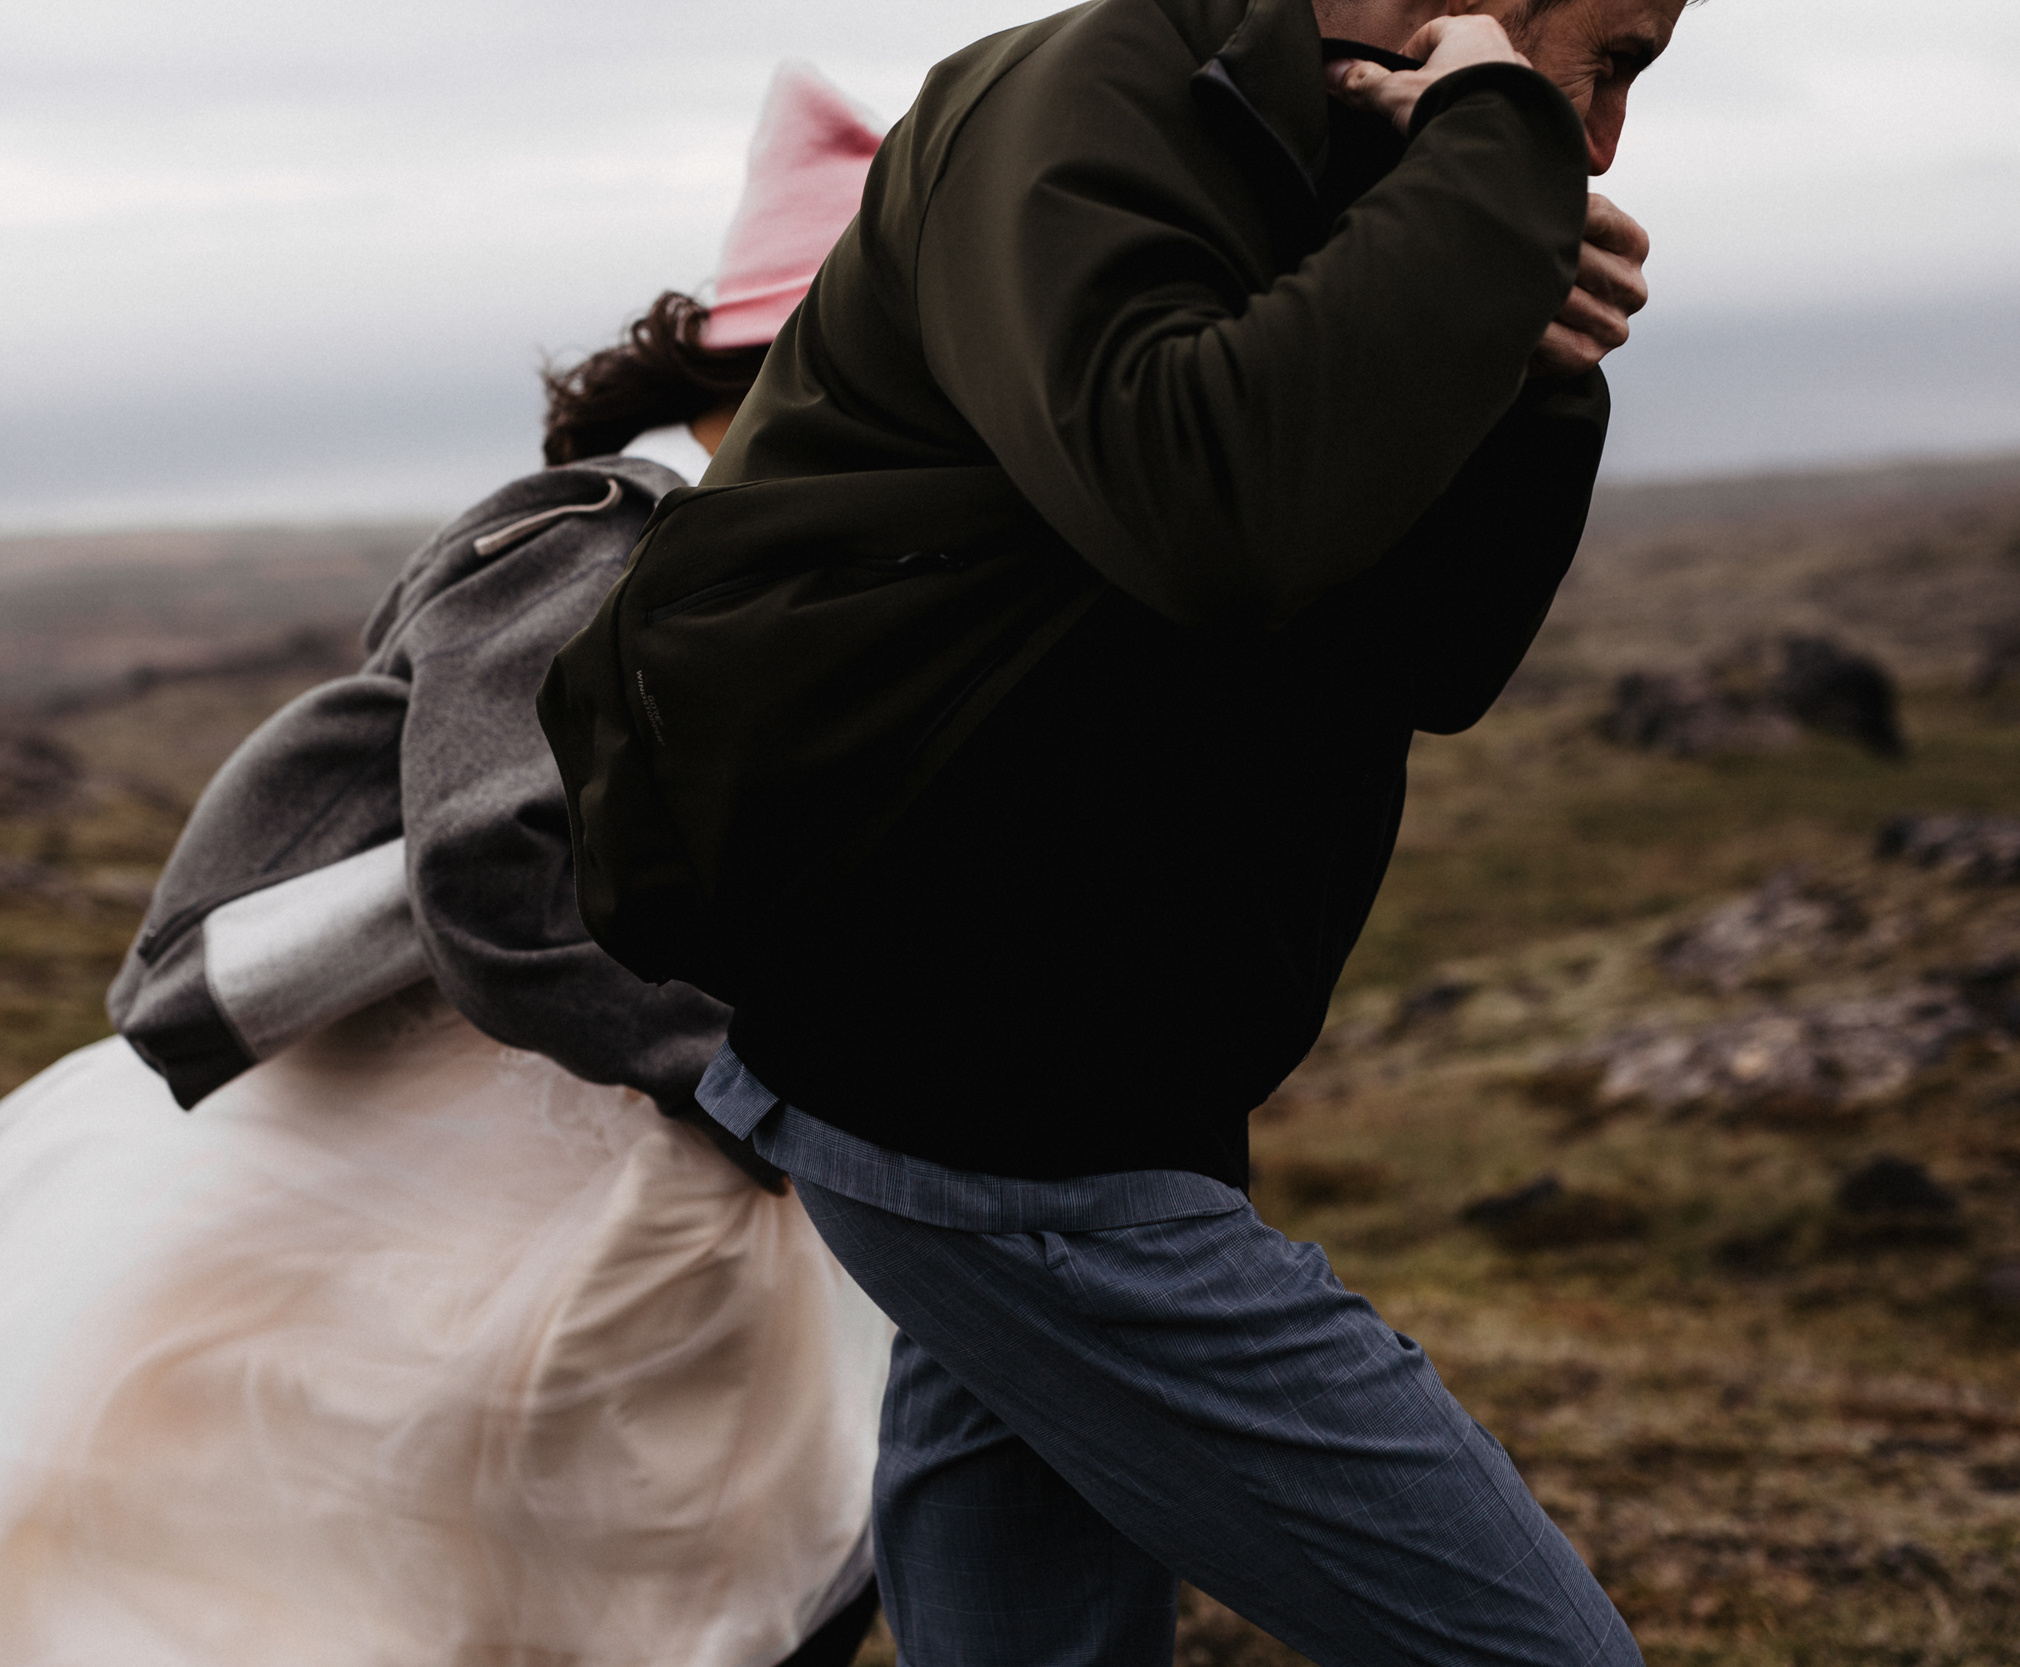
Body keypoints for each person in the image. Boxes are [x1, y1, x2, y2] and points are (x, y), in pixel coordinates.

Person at [553, 0, 1679, 1662]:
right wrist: (1487, 161)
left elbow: (1433, 651)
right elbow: (1206, 498)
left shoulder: (1361, 174)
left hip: (1106, 1079)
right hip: (984, 1092)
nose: (1597, 140)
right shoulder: (1090, 97)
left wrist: (1514, 368)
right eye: (1613, 59)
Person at [0, 65, 895, 1667]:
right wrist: (742, 1086)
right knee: (365, 1525)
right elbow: (493, 875)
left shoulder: (783, 580)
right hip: (490, 1123)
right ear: (756, 383)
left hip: (648, 1123)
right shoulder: (605, 542)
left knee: (628, 1526)